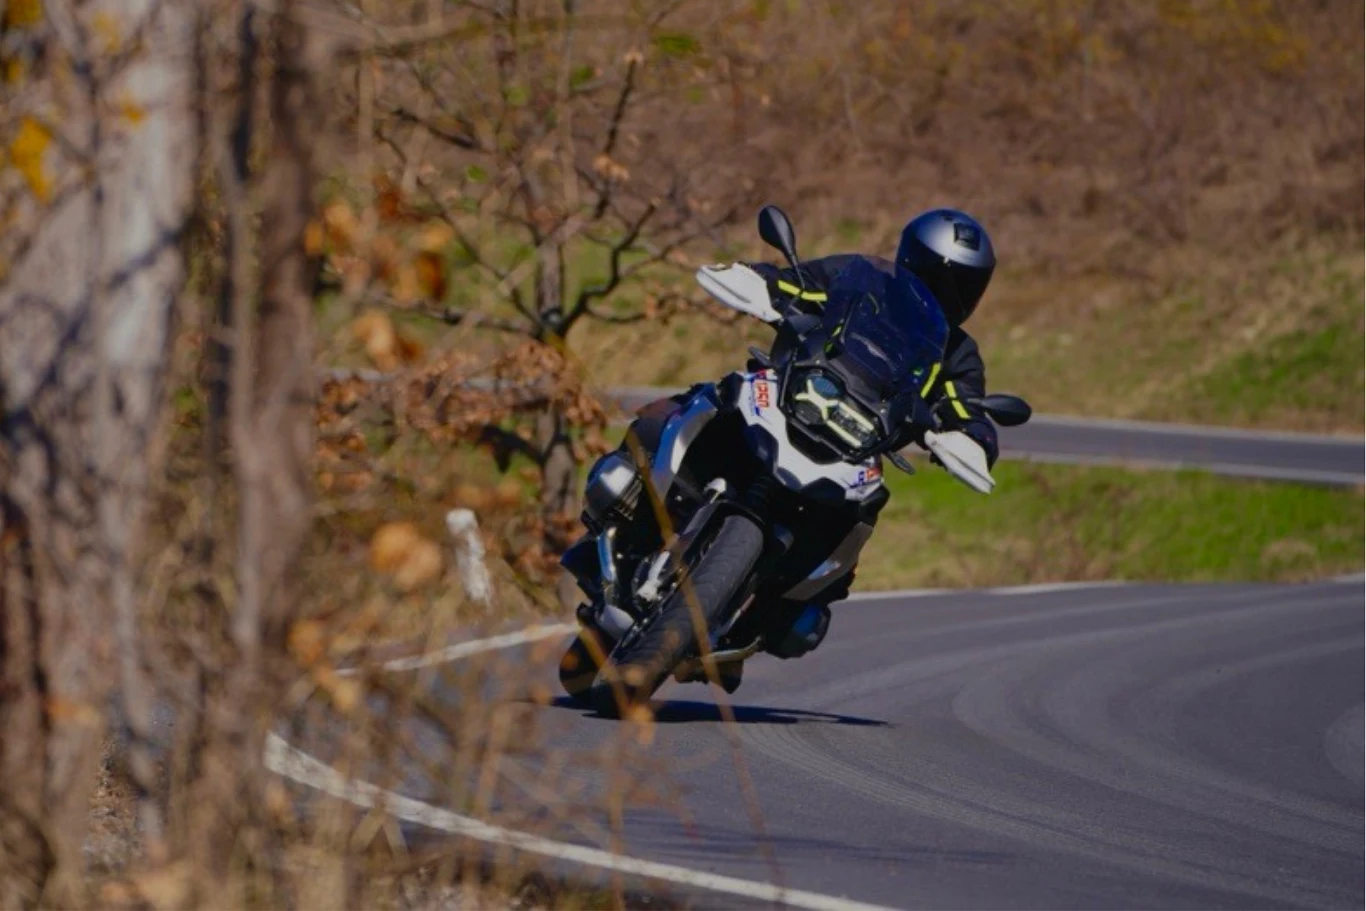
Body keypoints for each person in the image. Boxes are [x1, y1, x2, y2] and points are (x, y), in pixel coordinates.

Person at [748, 208, 1000, 469]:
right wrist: (756, 277)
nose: (947, 295)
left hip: (857, 446)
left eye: (965, 287)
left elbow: (966, 406)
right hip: (790, 392)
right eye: (938, 280)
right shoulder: (858, 281)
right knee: (722, 396)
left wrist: (975, 438)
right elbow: (797, 283)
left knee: (867, 501)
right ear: (912, 261)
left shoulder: (957, 352)